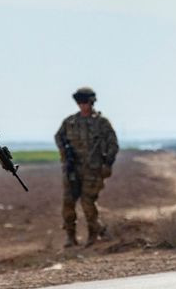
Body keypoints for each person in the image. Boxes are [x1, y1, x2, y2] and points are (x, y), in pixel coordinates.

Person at [54, 86, 120, 247]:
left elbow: (113, 144)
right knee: (68, 203)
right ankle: (71, 237)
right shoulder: (70, 122)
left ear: (92, 102)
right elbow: (59, 137)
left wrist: (107, 163)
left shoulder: (101, 123)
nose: (83, 105)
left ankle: (93, 235)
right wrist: (65, 156)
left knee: (87, 202)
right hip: (72, 169)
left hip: (93, 169)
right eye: (80, 102)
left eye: (86, 102)